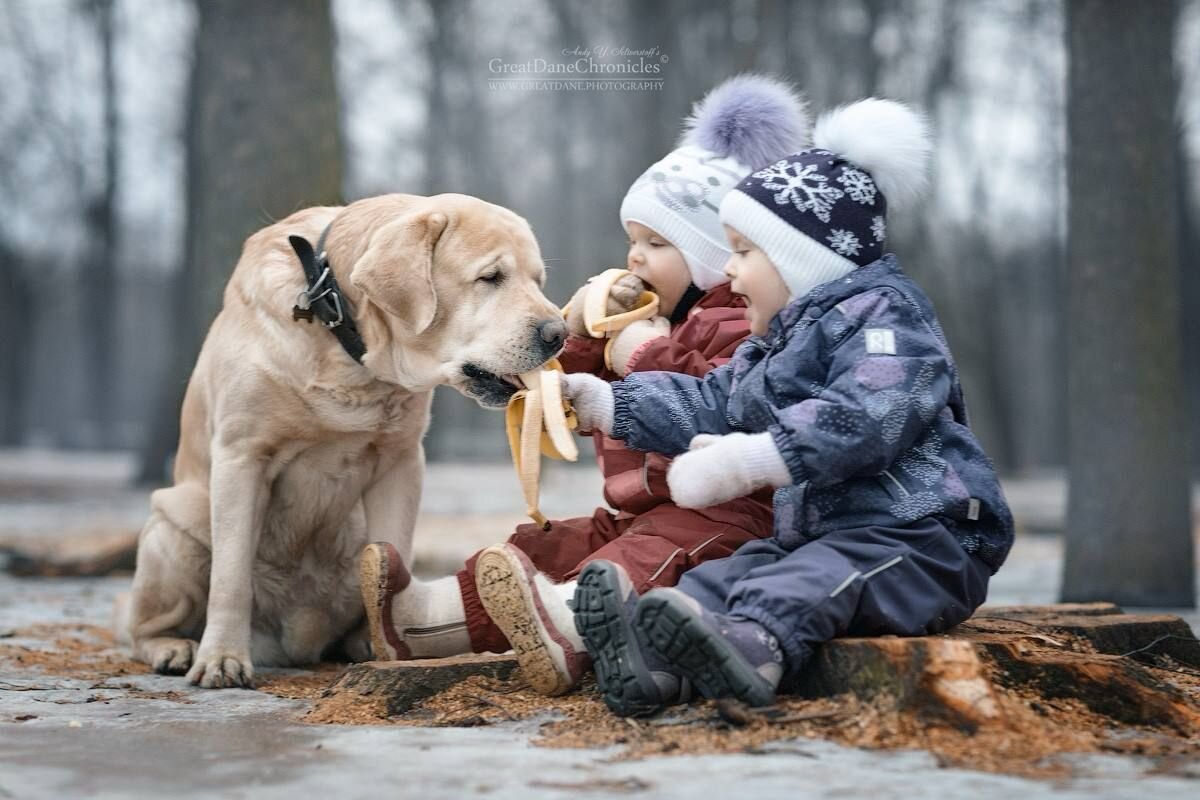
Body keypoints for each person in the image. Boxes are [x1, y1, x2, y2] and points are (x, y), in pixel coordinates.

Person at [360, 75, 811, 699]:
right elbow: (576, 390)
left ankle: (570, 633)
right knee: (545, 547)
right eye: (631, 241)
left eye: (656, 243)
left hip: (729, 518)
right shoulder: (648, 318)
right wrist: (577, 336)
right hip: (639, 508)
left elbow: (725, 401)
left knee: (632, 561)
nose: (633, 259)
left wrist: (647, 352)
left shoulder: (744, 322)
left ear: (711, 256)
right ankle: (423, 622)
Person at [562, 98, 1015, 715]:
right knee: (724, 577)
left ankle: (754, 649)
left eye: (744, 252)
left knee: (807, 579)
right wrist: (608, 402)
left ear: (801, 256)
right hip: (823, 534)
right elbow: (712, 402)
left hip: (924, 539)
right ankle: (653, 661)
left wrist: (755, 459)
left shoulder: (886, 316)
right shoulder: (778, 343)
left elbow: (872, 412)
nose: (730, 270)